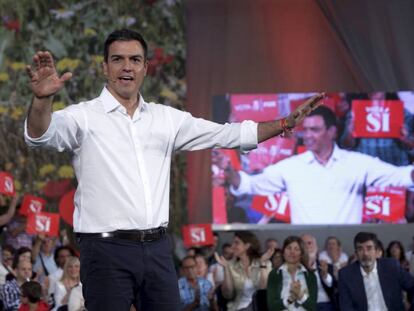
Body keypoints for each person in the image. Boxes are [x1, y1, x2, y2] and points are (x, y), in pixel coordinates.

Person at [24, 28, 323, 311]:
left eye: (135, 60)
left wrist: (284, 124)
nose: (126, 67)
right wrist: (41, 100)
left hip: (156, 250)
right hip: (105, 252)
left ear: (145, 68)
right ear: (105, 67)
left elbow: (226, 133)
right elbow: (41, 135)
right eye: (117, 59)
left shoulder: (166, 119)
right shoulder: (84, 117)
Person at [228, 106, 414, 224]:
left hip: (347, 254)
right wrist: (230, 172)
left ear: (332, 131)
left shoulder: (358, 164)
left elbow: (401, 176)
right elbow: (250, 184)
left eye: (314, 130)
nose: (308, 135)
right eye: (305, 130)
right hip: (305, 256)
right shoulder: (291, 167)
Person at [338, 232, 414, 311]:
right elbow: (346, 307)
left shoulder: (391, 267)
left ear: (376, 251)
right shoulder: (346, 275)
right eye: (360, 249)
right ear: (356, 254)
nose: (365, 253)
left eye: (369, 248)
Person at [214, 231, 273, 311]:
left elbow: (264, 289)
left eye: (236, 243)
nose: (232, 246)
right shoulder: (230, 265)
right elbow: (228, 295)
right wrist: (226, 268)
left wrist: (262, 263)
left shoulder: (265, 262)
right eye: (233, 243)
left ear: (247, 246)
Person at [267, 236, 317, 311]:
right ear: (283, 252)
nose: (292, 252)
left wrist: (300, 295)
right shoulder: (274, 274)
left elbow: (313, 307)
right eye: (289, 248)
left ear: (301, 254)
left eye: (296, 249)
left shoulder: (310, 275)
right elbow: (272, 307)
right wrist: (290, 299)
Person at [301, 234, 338, 311]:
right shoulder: (295, 267)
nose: (306, 246)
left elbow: (333, 285)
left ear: (316, 247)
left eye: (309, 243)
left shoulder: (326, 266)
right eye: (303, 244)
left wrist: (325, 275)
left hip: (326, 305)